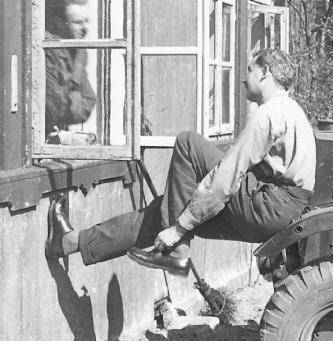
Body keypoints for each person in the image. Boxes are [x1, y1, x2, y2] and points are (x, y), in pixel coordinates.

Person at [45, 49, 316, 276]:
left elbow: (226, 178)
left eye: (249, 70)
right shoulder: (293, 111)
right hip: (279, 211)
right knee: (164, 210)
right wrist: (179, 222)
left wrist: (179, 229)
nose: (244, 80)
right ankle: (70, 243)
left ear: (265, 72)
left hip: (269, 206)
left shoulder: (269, 114)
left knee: (188, 144)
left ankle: (176, 248)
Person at [45, 0, 96, 142]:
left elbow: (86, 105)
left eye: (87, 21)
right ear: (59, 23)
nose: (85, 28)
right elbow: (55, 109)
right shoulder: (48, 51)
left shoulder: (78, 52)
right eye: (78, 22)